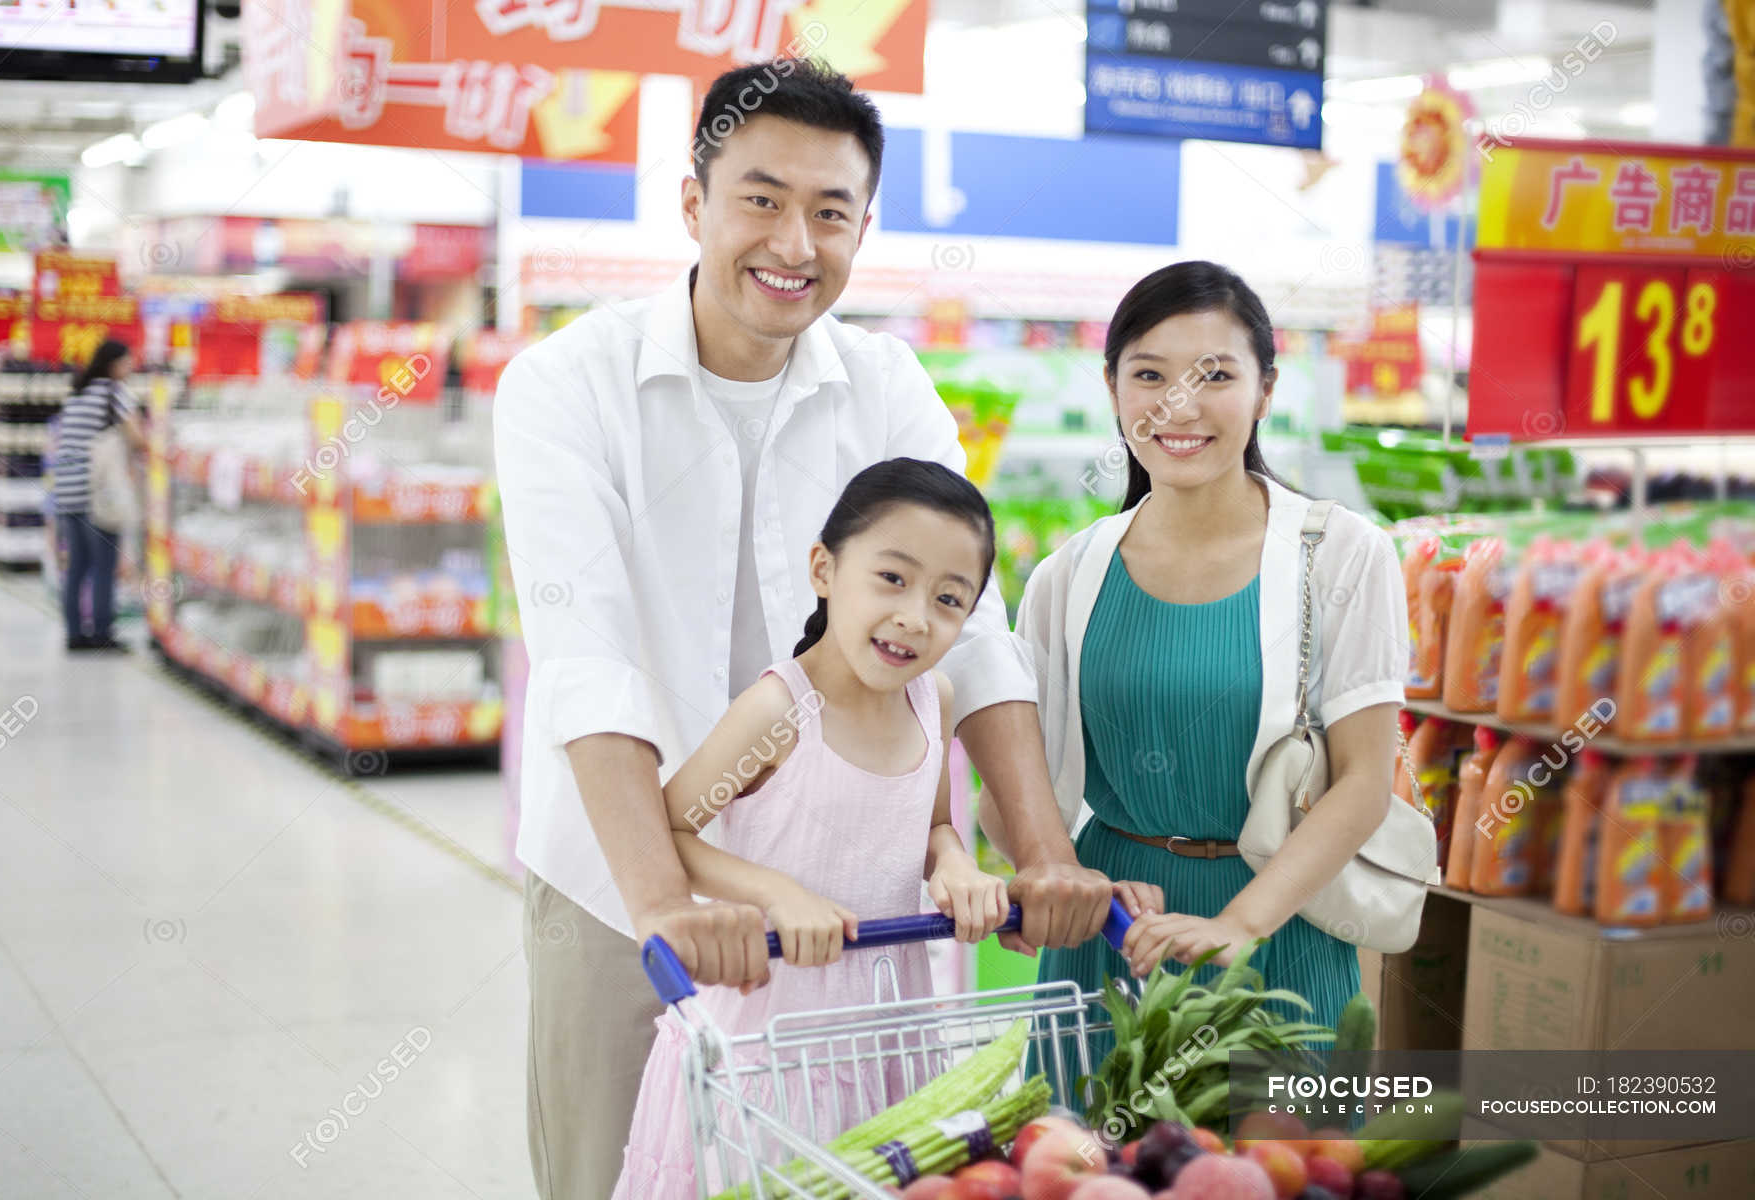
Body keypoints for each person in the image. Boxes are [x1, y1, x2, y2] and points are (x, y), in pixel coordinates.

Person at [492, 58, 1113, 1200]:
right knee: (611, 1175)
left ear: (863, 227)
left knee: (847, 1177)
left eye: (831, 213)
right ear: (694, 204)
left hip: (853, 918)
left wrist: (1040, 848)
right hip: (620, 870)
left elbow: (972, 630)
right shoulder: (565, 387)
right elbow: (592, 663)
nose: (795, 241)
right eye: (761, 199)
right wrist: (664, 906)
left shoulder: (884, 386)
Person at [988, 261, 1407, 1095]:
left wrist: (1238, 926)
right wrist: (1067, 882)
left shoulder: (1342, 556)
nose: (1178, 405)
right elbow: (1010, 790)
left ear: (1265, 391)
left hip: (1279, 932)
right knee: (1087, 1175)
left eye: (1215, 375)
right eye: (1149, 375)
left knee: (1277, 1173)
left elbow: (1364, 782)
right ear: (1113, 389)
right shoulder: (1065, 578)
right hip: (1113, 938)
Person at [611, 459, 1012, 1198]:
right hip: (766, 1043)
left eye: (949, 598)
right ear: (825, 569)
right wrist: (776, 892)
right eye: (892, 578)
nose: (916, 616)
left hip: (890, 1031)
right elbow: (666, 830)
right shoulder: (778, 712)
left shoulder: (936, 701)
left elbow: (932, 826)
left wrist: (955, 864)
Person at [53, 339, 147, 652]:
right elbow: (136, 437)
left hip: (67, 490)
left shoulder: (77, 392)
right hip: (99, 492)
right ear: (114, 363)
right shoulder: (113, 392)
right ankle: (103, 633)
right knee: (104, 565)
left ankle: (75, 635)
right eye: (128, 362)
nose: (131, 368)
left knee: (77, 566)